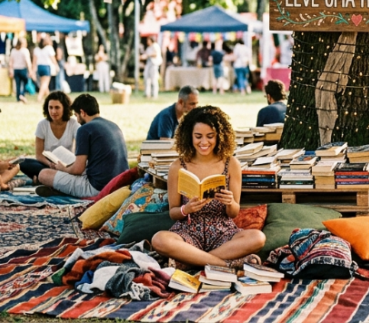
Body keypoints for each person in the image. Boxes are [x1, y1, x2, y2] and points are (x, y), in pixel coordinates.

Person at [151, 106, 266, 269]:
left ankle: (189, 261)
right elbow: (173, 212)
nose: (204, 142)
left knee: (258, 238)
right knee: (159, 240)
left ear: (219, 136)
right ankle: (227, 264)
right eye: (198, 136)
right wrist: (186, 209)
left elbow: (233, 212)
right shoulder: (177, 167)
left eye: (210, 136)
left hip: (223, 233)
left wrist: (230, 202)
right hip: (188, 232)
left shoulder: (231, 164)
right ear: (189, 136)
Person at [36, 94, 129, 198]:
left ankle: (61, 189)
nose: (77, 120)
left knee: (43, 174)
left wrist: (63, 169)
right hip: (120, 183)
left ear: (82, 112)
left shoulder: (84, 129)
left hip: (97, 188)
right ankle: (61, 188)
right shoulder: (113, 125)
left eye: (76, 115)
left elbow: (78, 170)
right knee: (62, 154)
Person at [19, 91, 79, 184]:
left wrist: (66, 167)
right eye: (50, 107)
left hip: (67, 166)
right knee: (22, 162)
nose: (53, 111)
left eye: (57, 107)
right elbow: (39, 155)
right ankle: (50, 178)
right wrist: (50, 164)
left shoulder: (74, 124)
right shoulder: (42, 125)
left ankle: (43, 179)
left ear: (65, 108)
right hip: (47, 164)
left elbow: (79, 151)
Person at [32, 36, 59, 103]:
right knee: (45, 84)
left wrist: (33, 69)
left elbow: (34, 61)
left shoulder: (36, 49)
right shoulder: (49, 48)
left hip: (39, 67)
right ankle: (39, 97)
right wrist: (56, 66)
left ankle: (49, 97)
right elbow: (52, 58)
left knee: (43, 84)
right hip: (46, 66)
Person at [8, 39, 31, 104]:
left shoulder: (13, 51)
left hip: (16, 69)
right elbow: (27, 61)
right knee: (25, 83)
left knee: (18, 84)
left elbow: (11, 62)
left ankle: (18, 98)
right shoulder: (25, 51)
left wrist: (11, 70)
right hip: (23, 69)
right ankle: (22, 94)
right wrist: (30, 70)